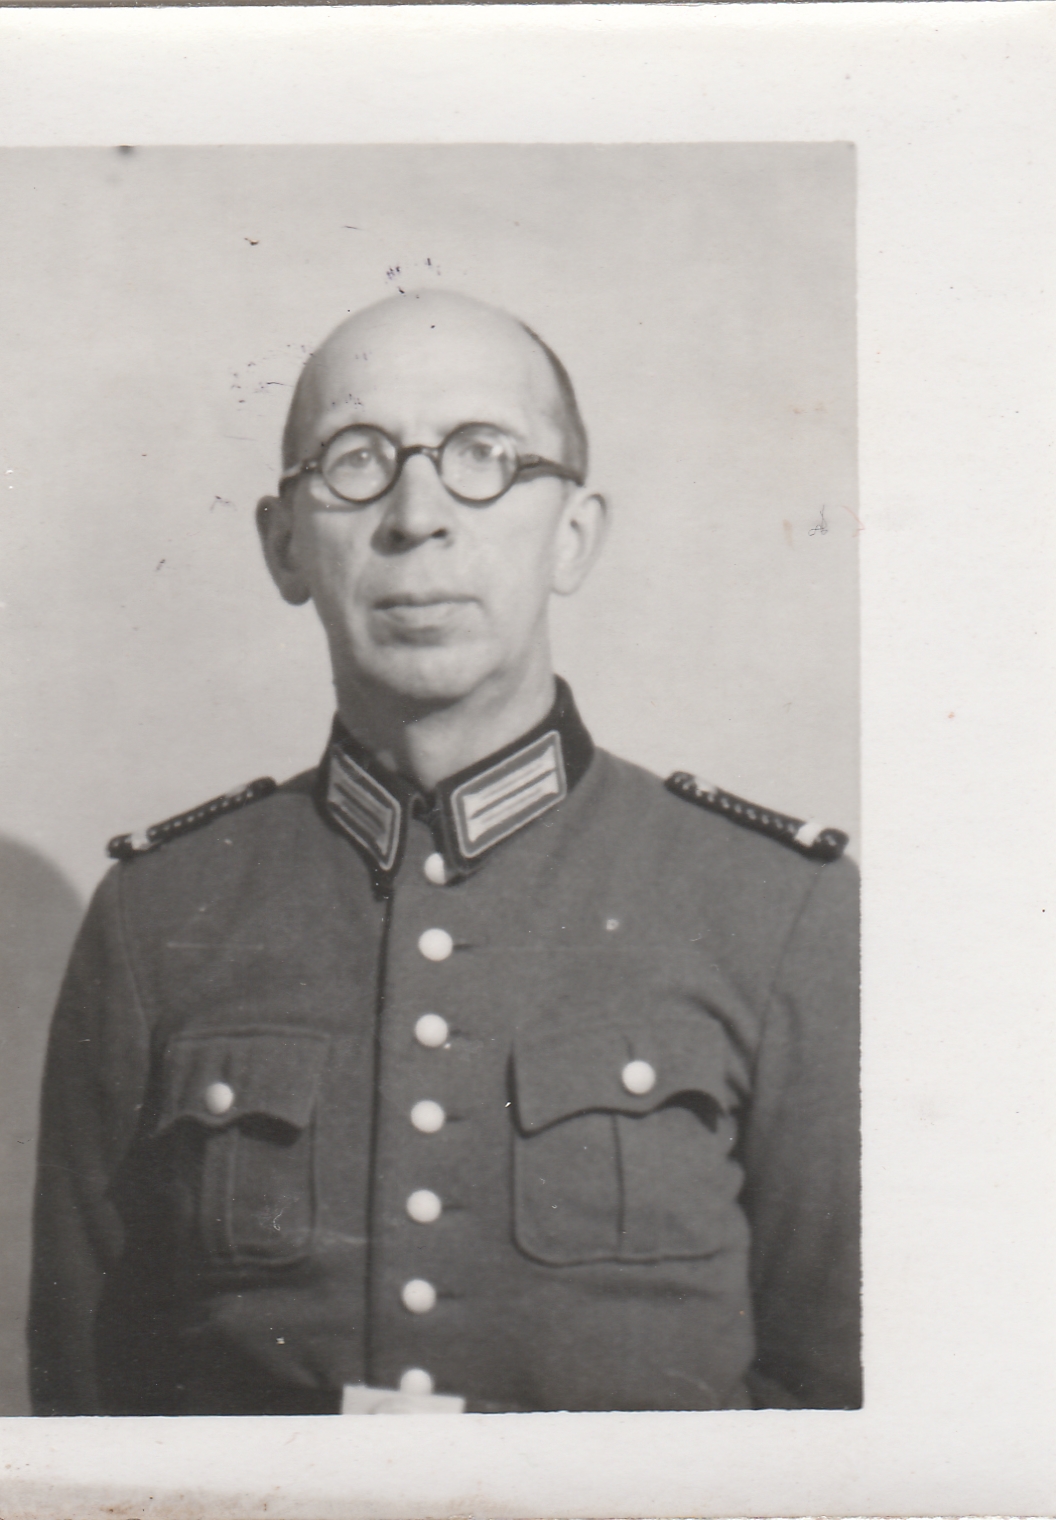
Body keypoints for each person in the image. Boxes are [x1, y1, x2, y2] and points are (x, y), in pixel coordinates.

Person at [29, 290, 860, 1416]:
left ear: (574, 535)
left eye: (484, 456)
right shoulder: (157, 918)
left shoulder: (776, 910)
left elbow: (841, 1413)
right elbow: (91, 1417)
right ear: (284, 545)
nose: (417, 515)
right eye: (356, 461)